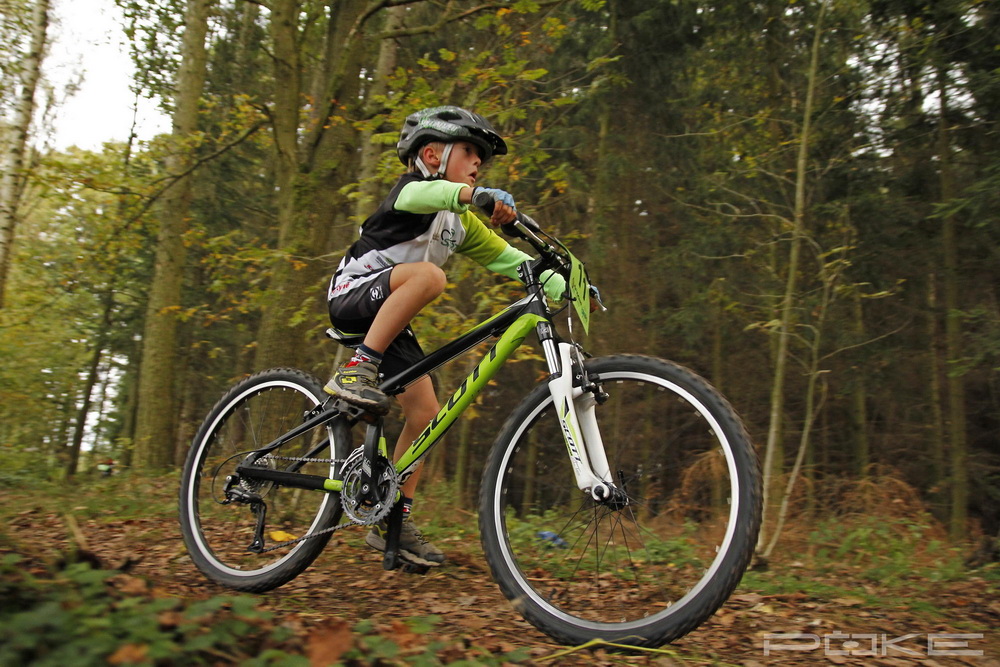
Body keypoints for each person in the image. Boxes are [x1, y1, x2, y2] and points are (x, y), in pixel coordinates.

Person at [324, 106, 565, 567]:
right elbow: (434, 195)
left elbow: (510, 260)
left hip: (388, 319)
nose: (478, 163)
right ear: (432, 155)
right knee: (431, 276)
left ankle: (391, 517)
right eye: (470, 151)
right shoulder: (411, 192)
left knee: (427, 414)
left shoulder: (458, 223)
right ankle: (357, 370)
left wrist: (566, 283)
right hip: (352, 295)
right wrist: (473, 195)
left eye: (481, 159)